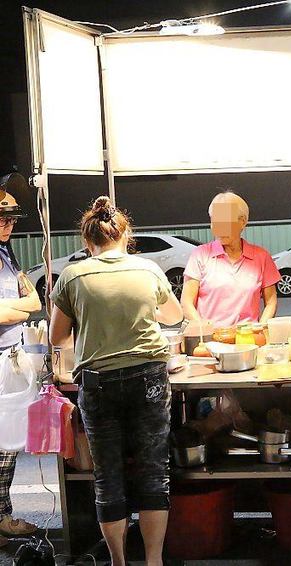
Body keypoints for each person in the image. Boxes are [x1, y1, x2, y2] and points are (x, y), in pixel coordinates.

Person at [49, 197, 183, 566]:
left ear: (87, 241)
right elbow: (174, 317)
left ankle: (119, 562)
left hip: (98, 382)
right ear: (126, 235)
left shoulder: (72, 276)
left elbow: (57, 336)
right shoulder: (147, 269)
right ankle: (153, 561)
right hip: (149, 380)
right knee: (154, 471)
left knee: (108, 476)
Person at [0, 175, 41, 547]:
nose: (9, 225)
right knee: (2, 446)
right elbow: (10, 312)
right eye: (2, 218)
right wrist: (20, 308)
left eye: (12, 219)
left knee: (9, 445)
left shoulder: (6, 254)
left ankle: (2, 516)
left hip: (9, 356)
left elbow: (34, 303)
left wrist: (18, 307)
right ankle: (1, 520)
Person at [181, 191, 280, 328]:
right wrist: (204, 331)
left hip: (248, 338)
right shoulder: (200, 255)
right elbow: (186, 302)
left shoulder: (261, 256)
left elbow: (271, 302)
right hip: (210, 339)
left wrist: (260, 328)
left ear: (243, 222)